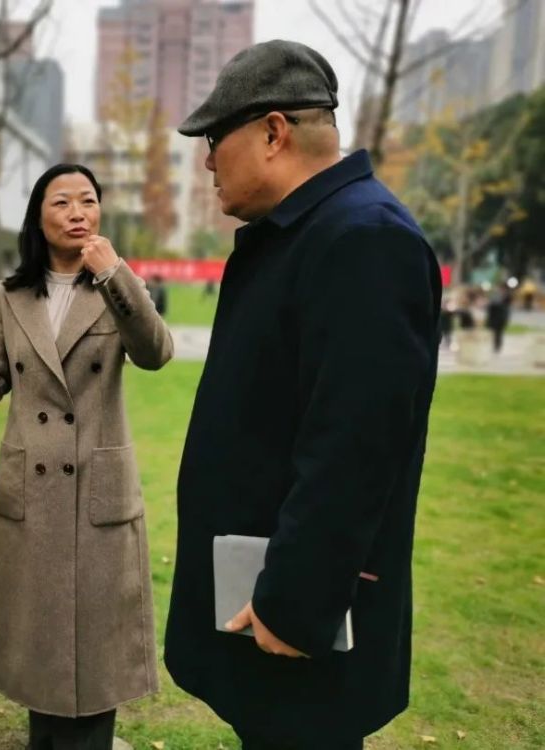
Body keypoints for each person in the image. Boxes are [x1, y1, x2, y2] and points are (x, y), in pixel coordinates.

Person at [165, 40, 442, 750]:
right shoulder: (305, 233)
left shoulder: (362, 238)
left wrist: (294, 606)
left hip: (296, 625)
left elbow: (354, 447)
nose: (204, 159)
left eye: (212, 138)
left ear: (273, 132)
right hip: (261, 605)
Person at [0, 163, 173, 749]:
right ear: (39, 217)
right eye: (62, 202)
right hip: (35, 491)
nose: (78, 212)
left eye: (88, 201)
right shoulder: (10, 295)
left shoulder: (116, 284)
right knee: (43, 644)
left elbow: (155, 352)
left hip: (96, 492)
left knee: (96, 651)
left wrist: (114, 276)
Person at [485, 282, 512, 353]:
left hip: (500, 318)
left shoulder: (506, 296)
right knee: (494, 333)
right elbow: (490, 306)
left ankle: (497, 347)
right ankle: (495, 346)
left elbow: (504, 307)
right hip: (495, 317)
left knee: (499, 333)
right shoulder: (496, 295)